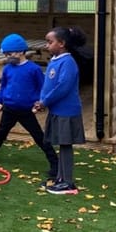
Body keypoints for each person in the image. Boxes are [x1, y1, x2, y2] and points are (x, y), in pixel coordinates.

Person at [0, 33, 58, 179]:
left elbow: (42, 88)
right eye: (5, 54)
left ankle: (55, 163)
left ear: (20, 52)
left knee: (38, 136)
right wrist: (0, 100)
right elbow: (3, 86)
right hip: (9, 108)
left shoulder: (34, 69)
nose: (7, 57)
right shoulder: (8, 69)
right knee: (0, 133)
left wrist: (39, 103)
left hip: (26, 110)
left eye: (9, 53)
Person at [32, 26, 88, 195]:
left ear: (62, 43)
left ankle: (68, 183)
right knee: (60, 144)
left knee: (65, 146)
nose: (47, 46)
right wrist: (41, 101)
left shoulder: (68, 62)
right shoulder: (55, 60)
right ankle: (60, 179)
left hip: (67, 112)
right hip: (56, 111)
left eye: (50, 42)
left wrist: (45, 101)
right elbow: (48, 84)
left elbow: (62, 87)